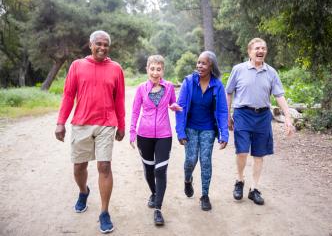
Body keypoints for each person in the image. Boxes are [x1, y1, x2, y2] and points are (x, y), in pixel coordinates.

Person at [55, 30, 125, 234]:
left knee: (104, 166)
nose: (102, 48)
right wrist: (61, 122)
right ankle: (83, 191)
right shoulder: (77, 66)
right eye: (99, 44)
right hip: (81, 123)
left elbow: (119, 99)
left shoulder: (116, 69)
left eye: (106, 45)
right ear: (90, 44)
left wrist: (121, 124)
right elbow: (68, 96)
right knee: (79, 167)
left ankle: (104, 212)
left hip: (106, 123)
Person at [226, 37, 294, 205]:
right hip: (242, 114)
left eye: (263, 48)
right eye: (257, 48)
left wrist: (287, 117)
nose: (260, 51)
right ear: (249, 51)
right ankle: (239, 180)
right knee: (242, 151)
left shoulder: (271, 72)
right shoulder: (238, 69)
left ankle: (254, 189)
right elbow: (228, 92)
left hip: (263, 116)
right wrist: (226, 115)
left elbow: (279, 95)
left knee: (259, 154)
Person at [129, 55, 182, 226]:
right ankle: (153, 193)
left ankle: (158, 209)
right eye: (152, 68)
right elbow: (135, 111)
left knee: (160, 171)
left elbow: (173, 104)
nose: (155, 72)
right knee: (149, 170)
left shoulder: (168, 88)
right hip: (144, 135)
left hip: (164, 135)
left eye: (158, 69)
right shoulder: (141, 89)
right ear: (147, 69)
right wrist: (132, 132)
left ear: (162, 71)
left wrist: (174, 107)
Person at [175, 51, 229, 211]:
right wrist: (180, 132)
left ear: (211, 65)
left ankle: (205, 195)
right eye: (198, 62)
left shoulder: (217, 85)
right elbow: (180, 108)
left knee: (205, 161)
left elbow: (222, 111)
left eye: (203, 63)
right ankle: (187, 179)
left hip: (208, 129)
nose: (199, 66)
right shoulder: (189, 82)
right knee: (191, 160)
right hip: (190, 128)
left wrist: (224, 133)